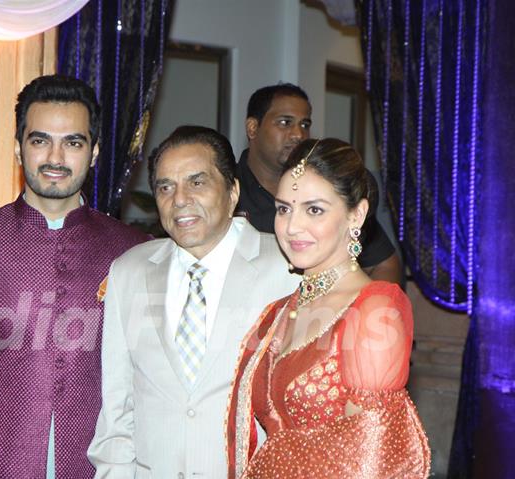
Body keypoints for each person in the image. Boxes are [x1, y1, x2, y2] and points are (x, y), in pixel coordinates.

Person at [0, 75, 149, 478]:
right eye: (40, 140)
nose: (55, 157)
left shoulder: (135, 251)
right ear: (18, 148)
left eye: (74, 143)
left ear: (95, 152)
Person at [88, 126, 300, 478]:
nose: (180, 199)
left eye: (197, 182)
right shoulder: (130, 271)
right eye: (165, 187)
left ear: (233, 191)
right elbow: (117, 407)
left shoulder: (285, 269)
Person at [225, 138, 430, 478]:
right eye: (283, 208)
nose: (292, 227)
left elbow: (371, 464)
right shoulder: (278, 311)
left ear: (357, 214)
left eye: (314, 209)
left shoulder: (375, 310)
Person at [236, 84, 402, 283]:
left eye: (305, 124)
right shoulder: (227, 192)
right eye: (285, 122)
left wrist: (362, 306)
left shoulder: (326, 186)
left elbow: (385, 264)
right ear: (253, 128)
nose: (298, 133)